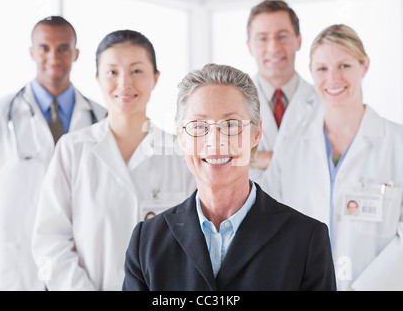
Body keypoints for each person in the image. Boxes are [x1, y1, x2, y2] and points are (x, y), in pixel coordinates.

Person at [123, 63, 336, 291]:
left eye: (231, 125)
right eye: (199, 126)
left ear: (256, 133)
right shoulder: (146, 242)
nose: (215, 142)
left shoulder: (306, 239)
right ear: (182, 137)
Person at [31, 30, 196, 291]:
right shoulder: (73, 150)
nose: (124, 83)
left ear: (155, 78)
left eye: (137, 71)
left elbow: (196, 243)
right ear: (97, 79)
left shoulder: (181, 153)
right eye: (112, 72)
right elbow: (50, 241)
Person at [266, 24, 403, 290]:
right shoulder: (291, 145)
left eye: (345, 66)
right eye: (322, 69)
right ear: (312, 74)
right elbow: (271, 221)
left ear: (365, 66)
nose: (333, 79)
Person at [0, 16, 106, 291]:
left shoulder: (102, 119)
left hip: (82, 264)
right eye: (44, 48)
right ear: (32, 52)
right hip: (19, 264)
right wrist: (12, 232)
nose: (53, 57)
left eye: (63, 48)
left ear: (76, 53)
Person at [246, 0, 319, 179]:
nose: (273, 48)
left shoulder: (322, 102)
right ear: (250, 46)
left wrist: (250, 157)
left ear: (298, 41)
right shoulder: (231, 102)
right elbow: (215, 155)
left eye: (282, 36)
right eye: (263, 38)